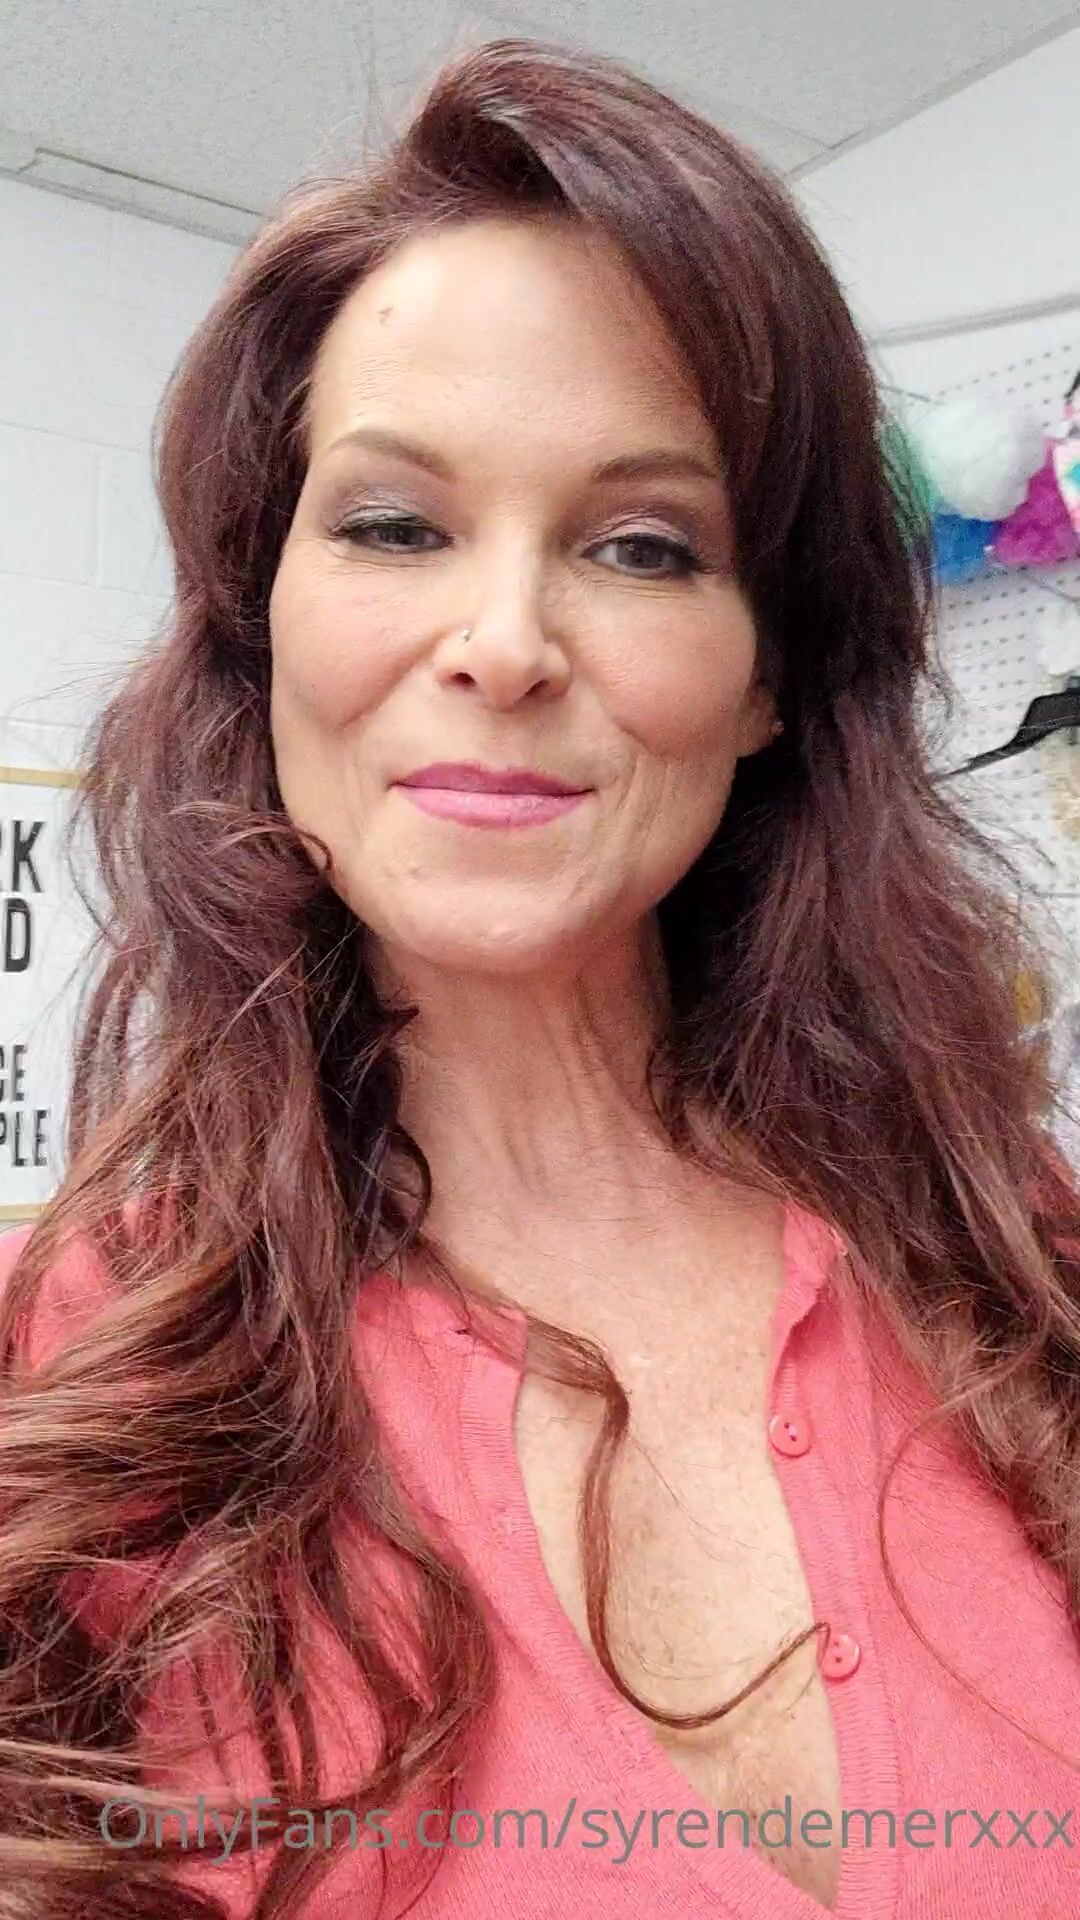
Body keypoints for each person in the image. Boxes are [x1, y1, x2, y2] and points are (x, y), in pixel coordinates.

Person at [0, 33, 1078, 1920]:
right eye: (394, 525)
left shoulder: (1023, 1259)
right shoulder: (72, 1379)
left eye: (643, 547)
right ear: (263, 624)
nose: (503, 642)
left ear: (765, 676)